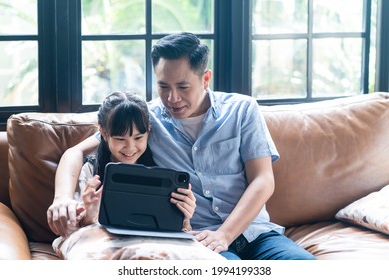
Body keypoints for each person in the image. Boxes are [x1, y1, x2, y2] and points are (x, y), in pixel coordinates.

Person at [47, 32, 315, 260]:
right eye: (163, 86)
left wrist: (225, 234)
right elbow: (76, 152)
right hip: (196, 240)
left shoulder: (243, 110)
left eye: (183, 87)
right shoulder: (146, 120)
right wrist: (62, 198)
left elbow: (263, 180)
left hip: (257, 233)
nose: (172, 98)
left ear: (205, 78)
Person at [48, 91, 195, 235]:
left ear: (148, 131)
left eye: (138, 138)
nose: (130, 148)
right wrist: (88, 214)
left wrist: (185, 219)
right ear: (104, 133)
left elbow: (180, 230)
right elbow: (75, 229)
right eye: (120, 139)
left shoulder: (160, 169)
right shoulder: (91, 172)